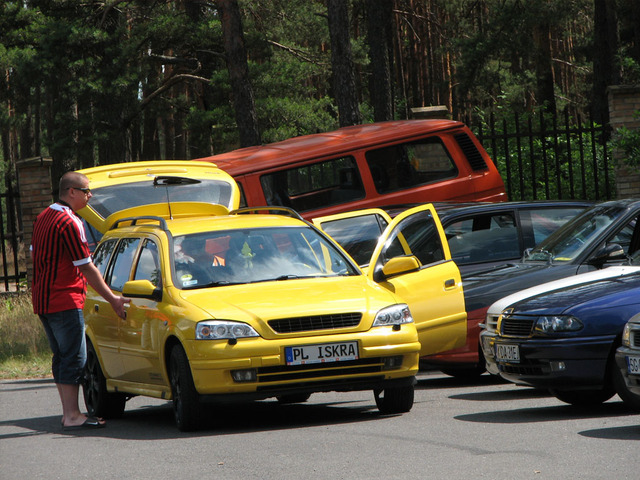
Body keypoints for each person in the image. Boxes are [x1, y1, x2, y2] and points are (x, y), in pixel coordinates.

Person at [31, 171, 130, 430]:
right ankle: (72, 415)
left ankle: (69, 413)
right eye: (86, 191)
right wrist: (113, 299)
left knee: (62, 356)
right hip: (65, 299)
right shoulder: (69, 221)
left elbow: (35, 256)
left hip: (44, 300)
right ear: (71, 192)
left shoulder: (43, 218)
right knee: (75, 357)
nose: (90, 195)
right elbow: (86, 267)